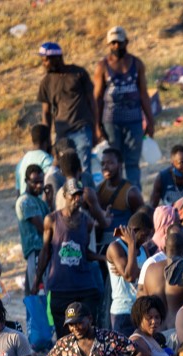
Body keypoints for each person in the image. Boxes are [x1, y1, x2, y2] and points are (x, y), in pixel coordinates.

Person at [33, 179, 106, 337]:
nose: (77, 199)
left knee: (88, 332)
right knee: (64, 334)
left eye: (80, 195)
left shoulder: (87, 222)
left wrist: (104, 258)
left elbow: (84, 252)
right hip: (61, 286)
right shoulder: (52, 220)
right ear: (65, 196)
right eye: (73, 195)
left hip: (85, 286)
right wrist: (37, 280)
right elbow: (45, 251)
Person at [93, 27, 153, 189]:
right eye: (113, 43)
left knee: (132, 163)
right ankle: (114, 198)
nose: (116, 46)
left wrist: (150, 120)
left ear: (126, 42)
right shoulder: (103, 66)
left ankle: (134, 196)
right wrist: (97, 126)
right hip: (111, 122)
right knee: (113, 163)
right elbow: (97, 98)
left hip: (134, 121)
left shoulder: (136, 64)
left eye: (119, 42)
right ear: (108, 44)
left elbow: (143, 94)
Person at [37, 42, 97, 188]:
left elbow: (92, 102)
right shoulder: (46, 82)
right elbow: (46, 112)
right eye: (43, 60)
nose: (44, 63)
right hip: (61, 135)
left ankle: (86, 203)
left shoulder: (78, 73)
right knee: (64, 171)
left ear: (57, 58)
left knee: (83, 170)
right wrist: (46, 140)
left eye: (46, 59)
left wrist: (96, 128)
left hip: (82, 129)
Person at [96, 148, 145, 248]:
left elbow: (141, 221)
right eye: (103, 164)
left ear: (120, 164)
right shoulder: (99, 190)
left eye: (110, 163)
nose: (105, 167)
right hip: (102, 245)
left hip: (123, 246)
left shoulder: (131, 193)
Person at [15, 124, 53, 196]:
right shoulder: (47, 160)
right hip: (40, 205)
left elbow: (18, 191)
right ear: (48, 140)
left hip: (25, 204)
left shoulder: (21, 162)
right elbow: (51, 184)